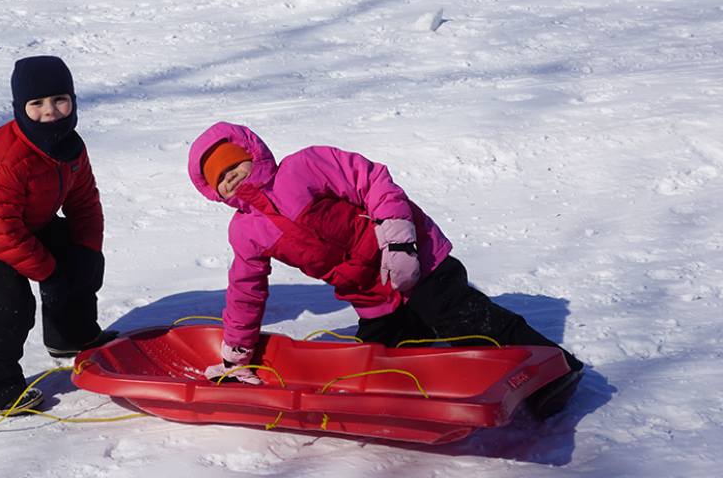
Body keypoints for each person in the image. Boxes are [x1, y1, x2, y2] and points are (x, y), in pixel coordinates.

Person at [187, 121, 585, 420]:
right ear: (213, 192)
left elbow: (371, 181)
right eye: (220, 179)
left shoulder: (302, 167)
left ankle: (552, 369)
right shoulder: (246, 231)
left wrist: (398, 241)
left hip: (418, 259)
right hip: (374, 296)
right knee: (378, 360)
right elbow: (246, 292)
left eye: (232, 165)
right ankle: (425, 375)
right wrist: (236, 353)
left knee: (463, 318)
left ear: (251, 155)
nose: (230, 178)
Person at [0, 56, 117, 415]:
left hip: (27, 222)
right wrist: (48, 274)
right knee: (9, 305)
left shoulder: (70, 147)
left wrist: (86, 252)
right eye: (36, 104)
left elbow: (84, 204)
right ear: (20, 108)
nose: (50, 111)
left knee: (81, 257)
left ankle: (70, 337)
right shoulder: (2, 160)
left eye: (59, 100)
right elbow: (0, 232)